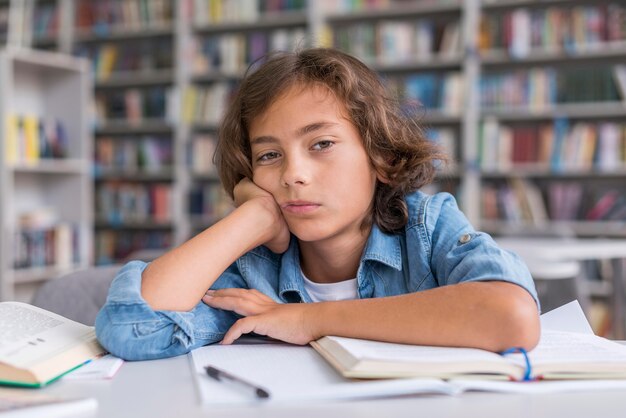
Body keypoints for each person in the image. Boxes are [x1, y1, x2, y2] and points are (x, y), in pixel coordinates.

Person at [95, 48, 540, 361]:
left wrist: (310, 319)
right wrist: (253, 217)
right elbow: (135, 329)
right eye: (269, 155)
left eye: (322, 143)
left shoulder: (427, 225)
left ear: (381, 156)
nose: (294, 174)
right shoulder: (255, 268)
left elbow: (510, 317)